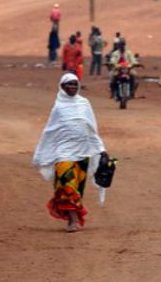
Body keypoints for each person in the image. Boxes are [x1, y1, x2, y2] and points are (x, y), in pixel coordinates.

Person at [32, 74, 108, 232]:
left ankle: (72, 217)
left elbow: (92, 128)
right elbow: (50, 131)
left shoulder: (84, 103)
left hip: (83, 151)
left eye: (75, 84)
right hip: (64, 152)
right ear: (62, 86)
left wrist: (101, 149)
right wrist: (40, 154)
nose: (72, 87)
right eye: (69, 84)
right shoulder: (58, 107)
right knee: (67, 185)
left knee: (77, 187)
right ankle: (73, 220)